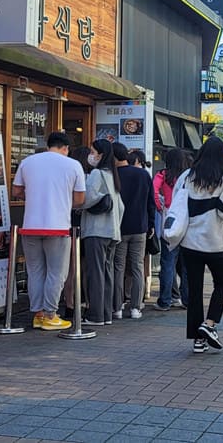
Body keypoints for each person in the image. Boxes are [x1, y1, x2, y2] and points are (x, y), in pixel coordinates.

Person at [11, 131, 85, 331]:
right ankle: (51, 314)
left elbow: (16, 191)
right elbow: (79, 199)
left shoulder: (28, 162)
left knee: (35, 271)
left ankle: (38, 314)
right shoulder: (73, 165)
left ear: (48, 145)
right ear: (66, 148)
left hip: (30, 226)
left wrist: (35, 197)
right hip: (58, 227)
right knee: (57, 272)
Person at [178, 136, 223, 353]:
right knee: (222, 283)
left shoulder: (187, 176)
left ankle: (198, 339)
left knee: (195, 290)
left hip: (189, 242)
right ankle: (209, 324)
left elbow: (177, 204)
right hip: (215, 243)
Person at [80, 139, 124, 326]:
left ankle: (95, 315)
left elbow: (86, 197)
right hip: (112, 232)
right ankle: (106, 313)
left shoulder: (97, 174)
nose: (91, 155)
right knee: (107, 274)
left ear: (101, 154)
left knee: (95, 273)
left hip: (96, 231)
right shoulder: (112, 175)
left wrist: (77, 204)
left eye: (93, 151)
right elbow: (121, 206)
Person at [111, 142, 156, 320]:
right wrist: (151, 224)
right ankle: (136, 307)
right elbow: (150, 202)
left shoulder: (112, 175)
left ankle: (118, 307)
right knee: (137, 267)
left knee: (118, 267)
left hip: (119, 227)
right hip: (140, 227)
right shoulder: (143, 174)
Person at [153, 148, 191, 311]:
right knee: (187, 265)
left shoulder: (163, 175)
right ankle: (187, 300)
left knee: (168, 262)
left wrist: (160, 206)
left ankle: (165, 300)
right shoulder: (189, 176)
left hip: (169, 219)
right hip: (187, 221)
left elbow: (153, 190)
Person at [61, 145, 92, 320]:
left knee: (71, 268)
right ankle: (88, 304)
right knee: (86, 268)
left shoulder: (68, 175)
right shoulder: (91, 177)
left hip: (68, 223)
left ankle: (70, 305)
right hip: (86, 225)